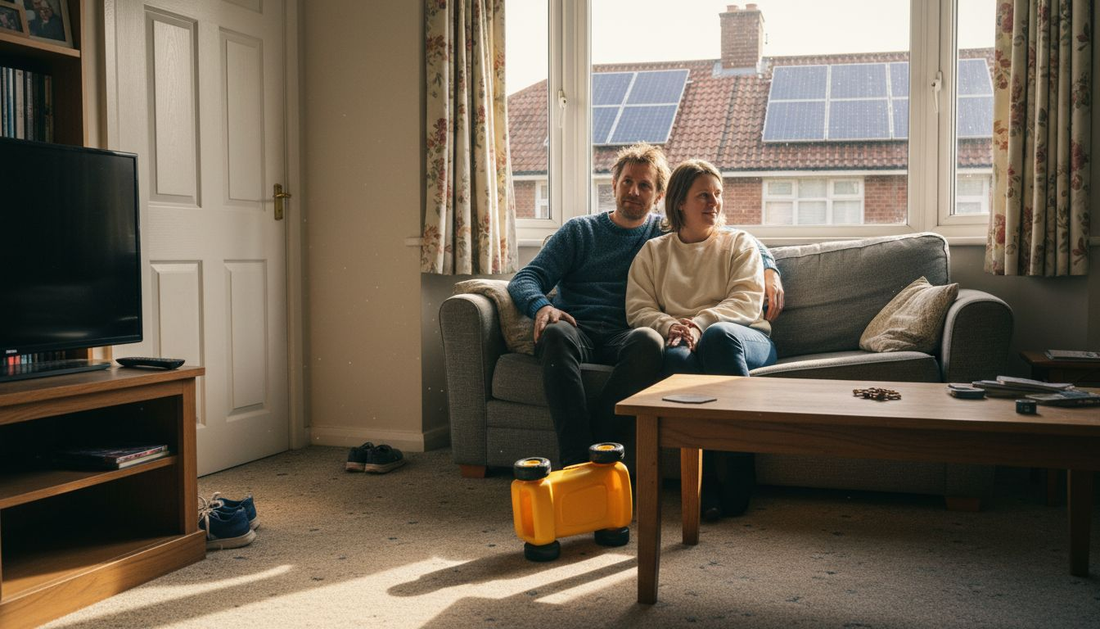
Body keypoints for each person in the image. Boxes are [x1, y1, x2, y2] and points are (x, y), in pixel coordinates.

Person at [508, 144, 785, 469]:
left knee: (650, 341)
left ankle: (599, 451)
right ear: (613, 184)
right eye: (627, 182)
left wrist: (769, 268)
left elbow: (727, 234)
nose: (634, 192)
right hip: (576, 328)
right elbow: (525, 278)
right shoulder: (579, 231)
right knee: (554, 333)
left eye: (645, 186)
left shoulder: (662, 232)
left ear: (659, 197)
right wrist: (542, 305)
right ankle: (575, 462)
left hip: (625, 334)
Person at [626, 158, 778, 519]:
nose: (714, 203)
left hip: (744, 339)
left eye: (718, 195)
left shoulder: (738, 243)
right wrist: (670, 326)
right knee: (676, 360)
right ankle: (703, 484)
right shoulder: (654, 252)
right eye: (703, 196)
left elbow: (746, 302)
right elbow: (638, 308)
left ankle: (740, 475)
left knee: (719, 337)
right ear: (680, 202)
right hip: (685, 342)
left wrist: (699, 323)